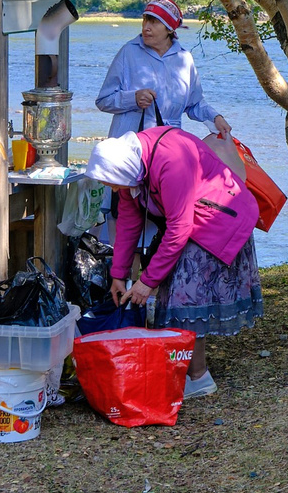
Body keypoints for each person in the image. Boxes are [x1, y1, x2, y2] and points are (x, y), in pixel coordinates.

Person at [86, 126, 260, 397]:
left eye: (111, 183)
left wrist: (147, 282)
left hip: (221, 219)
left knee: (185, 296)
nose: (111, 188)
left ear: (122, 171)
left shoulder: (170, 161)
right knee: (178, 291)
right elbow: (129, 223)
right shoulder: (130, 165)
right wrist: (118, 274)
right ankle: (183, 367)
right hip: (195, 221)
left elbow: (179, 228)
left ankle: (198, 377)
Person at [96, 0, 231, 141]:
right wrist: (133, 99)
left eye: (154, 22)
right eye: (145, 20)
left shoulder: (184, 59)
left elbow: (195, 104)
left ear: (170, 28)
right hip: (129, 145)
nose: (146, 27)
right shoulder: (128, 52)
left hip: (168, 145)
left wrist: (215, 117)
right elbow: (104, 100)